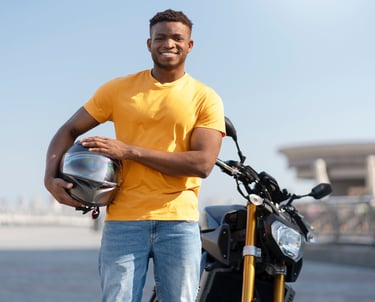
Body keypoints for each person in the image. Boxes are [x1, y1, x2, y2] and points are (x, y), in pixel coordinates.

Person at [44, 8, 225, 302]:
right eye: (161, 38)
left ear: (190, 45)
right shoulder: (118, 89)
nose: (169, 44)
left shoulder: (205, 97)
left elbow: (202, 163)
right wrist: (49, 178)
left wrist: (129, 151)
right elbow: (68, 129)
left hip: (178, 221)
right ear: (149, 43)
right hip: (123, 221)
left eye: (177, 38)